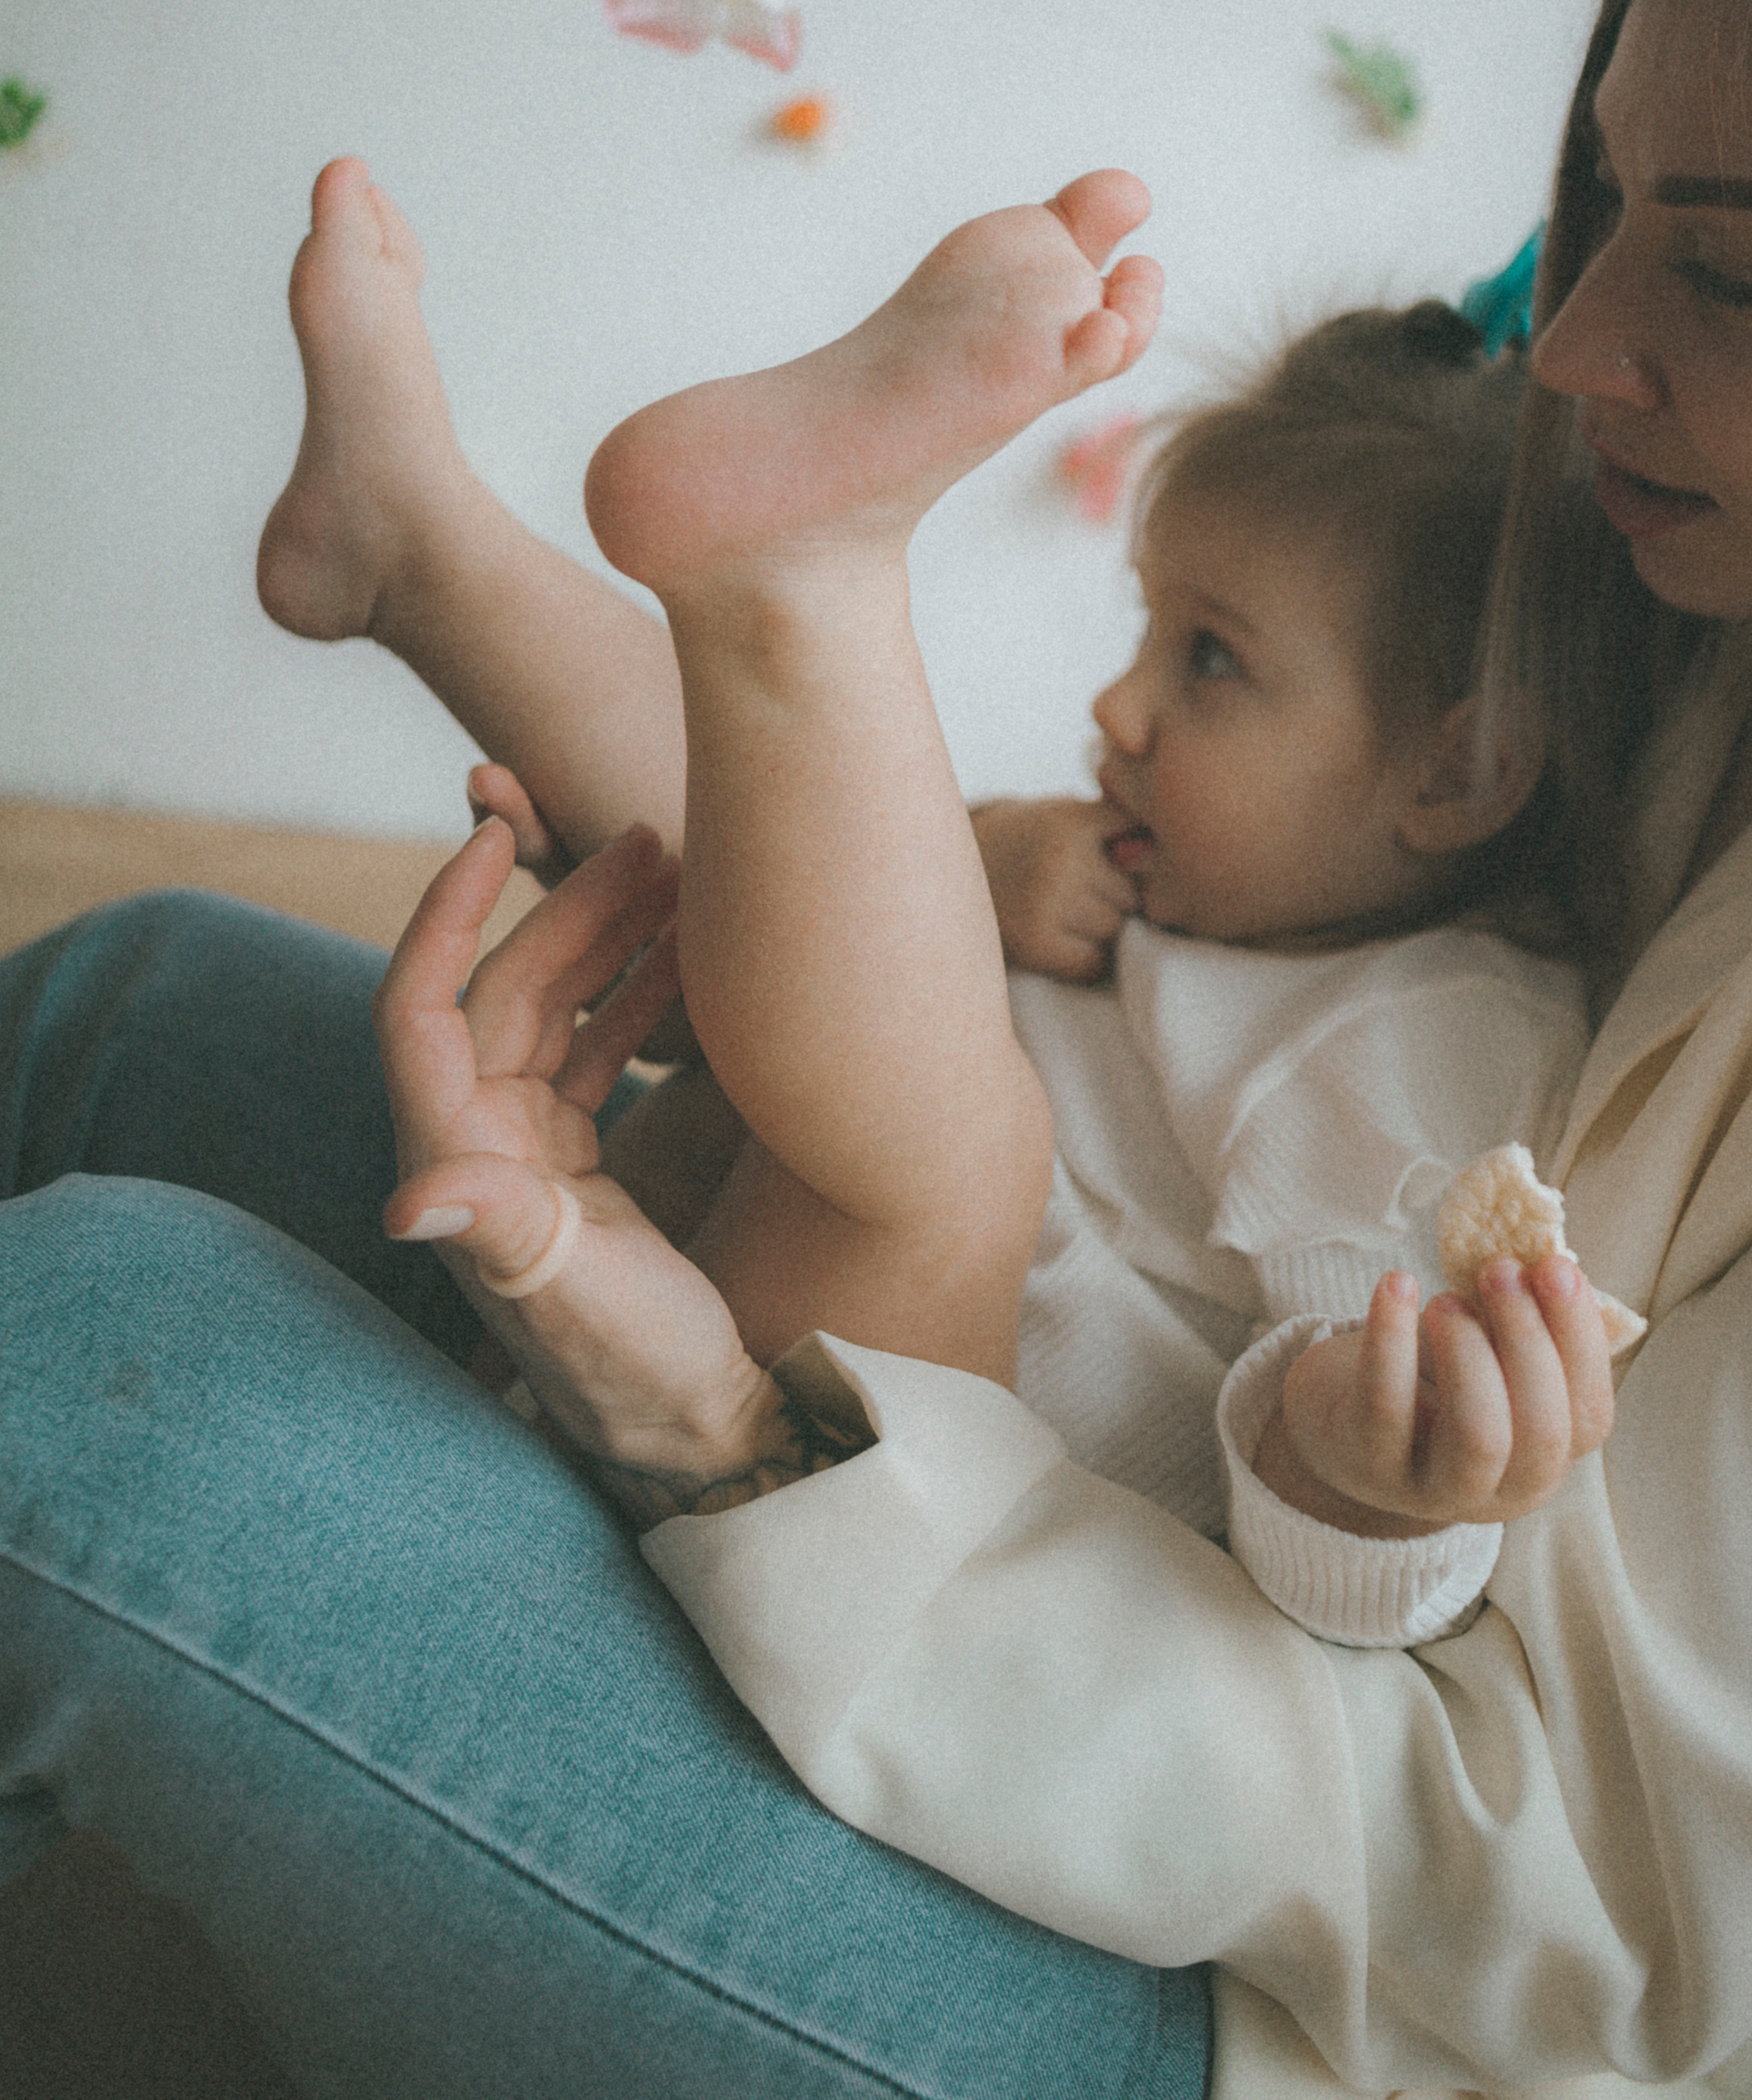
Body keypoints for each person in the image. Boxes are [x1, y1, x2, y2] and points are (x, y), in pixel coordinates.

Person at [2, 0, 1752, 2099]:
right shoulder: (1648, 520)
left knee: (93, 1369)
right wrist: (941, 853)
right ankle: (538, 572)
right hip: (1090, 1460)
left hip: (1303, 1963)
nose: (1582, 341)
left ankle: (760, 593)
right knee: (128, 998)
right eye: (1596, 199)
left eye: (1727, 273)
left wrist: (715, 1431)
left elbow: (1543, 1871)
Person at [259, 192, 1597, 1533]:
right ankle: (413, 544)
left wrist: (1364, 1487)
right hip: (653, 1321)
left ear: (1454, 775)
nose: (1116, 710)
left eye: (1212, 660)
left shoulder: (1426, 1041)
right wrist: (984, 861)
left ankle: (793, 584)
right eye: (1150, 631)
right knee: (777, 825)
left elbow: (1362, 1440)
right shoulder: (1185, 894)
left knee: (946, 1102)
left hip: (915, 1517)